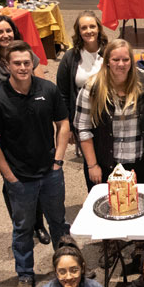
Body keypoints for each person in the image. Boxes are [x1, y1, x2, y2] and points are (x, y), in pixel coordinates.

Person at [0, 39, 71, 287]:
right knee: (22, 228)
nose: (22, 67)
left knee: (58, 223)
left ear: (33, 64)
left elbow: (63, 123)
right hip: (19, 180)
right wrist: (9, 176)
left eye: (26, 63)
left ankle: (65, 268)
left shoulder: (48, 89)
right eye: (17, 63)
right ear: (8, 66)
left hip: (51, 172)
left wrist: (59, 161)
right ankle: (25, 274)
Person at [76, 38, 144, 185]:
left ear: (131, 61)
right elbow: (83, 129)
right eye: (116, 59)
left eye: (125, 59)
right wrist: (92, 165)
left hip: (139, 164)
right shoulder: (92, 87)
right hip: (106, 164)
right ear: (107, 61)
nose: (121, 64)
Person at [55, 10, 108, 190]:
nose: (89, 31)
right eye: (83, 27)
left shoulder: (110, 51)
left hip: (110, 118)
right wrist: (67, 126)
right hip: (83, 120)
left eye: (92, 26)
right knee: (91, 162)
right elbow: (62, 94)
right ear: (78, 31)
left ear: (99, 28)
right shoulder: (70, 58)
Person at [0, 14, 43, 101]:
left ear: (14, 33)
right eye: (0, 32)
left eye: (8, 31)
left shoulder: (28, 55)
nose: (5, 35)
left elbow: (43, 88)